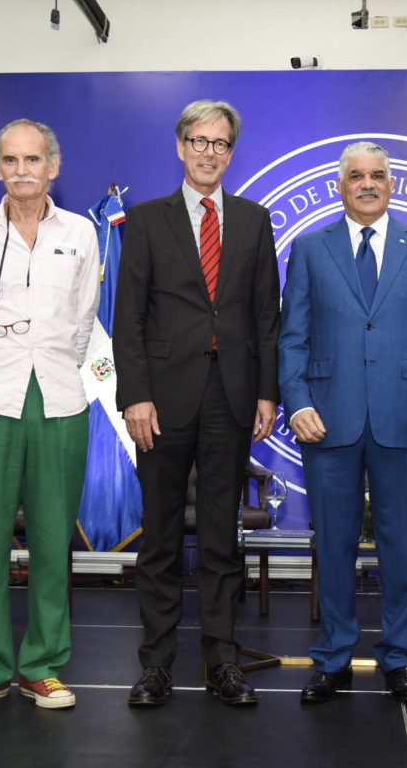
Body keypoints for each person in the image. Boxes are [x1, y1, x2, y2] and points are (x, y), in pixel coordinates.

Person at [113, 100, 280, 707]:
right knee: (159, 538)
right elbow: (128, 318)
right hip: (160, 402)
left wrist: (267, 391)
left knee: (220, 540)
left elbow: (266, 316)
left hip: (231, 399)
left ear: (231, 152)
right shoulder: (144, 220)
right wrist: (135, 395)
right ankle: (156, 666)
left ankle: (222, 663)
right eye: (200, 141)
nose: (210, 152)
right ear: (180, 147)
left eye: (221, 143)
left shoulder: (254, 220)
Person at [278, 141, 407, 704]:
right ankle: (332, 659)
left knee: (400, 546)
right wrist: (297, 402)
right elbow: (292, 338)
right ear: (340, 186)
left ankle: (400, 659)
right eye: (356, 175)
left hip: (406, 419)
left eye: (378, 174)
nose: (368, 183)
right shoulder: (310, 249)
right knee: (333, 546)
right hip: (326, 419)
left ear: (392, 183)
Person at [0, 119, 99, 712]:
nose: (21, 170)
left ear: (52, 167)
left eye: (32, 159)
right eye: (10, 160)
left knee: (53, 540)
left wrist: (53, 364)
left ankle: (42, 666)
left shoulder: (81, 232)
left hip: (59, 398)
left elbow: (84, 319)